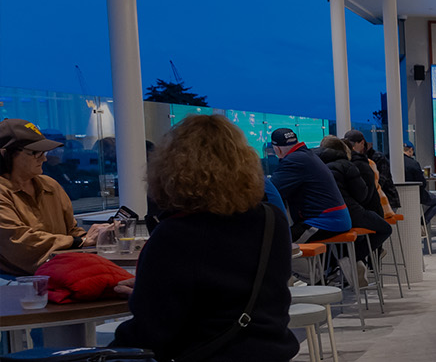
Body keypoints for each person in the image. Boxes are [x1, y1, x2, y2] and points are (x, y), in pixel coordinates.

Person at [110, 114, 299, 361]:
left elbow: (152, 331)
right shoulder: (271, 220)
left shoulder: (174, 234)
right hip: (271, 352)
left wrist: (146, 294)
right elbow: (242, 287)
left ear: (169, 169)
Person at [0, 118, 116, 277]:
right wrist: (80, 241)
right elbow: (19, 242)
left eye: (44, 152)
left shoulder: (50, 185)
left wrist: (97, 238)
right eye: (35, 152)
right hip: (18, 283)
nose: (44, 158)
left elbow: (72, 230)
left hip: (64, 271)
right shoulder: (3, 191)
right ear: (5, 154)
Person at [317, 137, 391, 270]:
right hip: (352, 213)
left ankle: (339, 267)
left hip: (325, 217)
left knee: (353, 239)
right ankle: (350, 259)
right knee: (384, 229)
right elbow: (363, 195)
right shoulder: (354, 164)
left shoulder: (317, 165)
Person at [269, 129, 353, 243]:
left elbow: (272, 189)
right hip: (336, 219)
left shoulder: (294, 160)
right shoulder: (306, 155)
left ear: (277, 149)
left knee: (275, 242)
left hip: (325, 222)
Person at [345, 130, 399, 209]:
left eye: (352, 145)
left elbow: (381, 180)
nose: (350, 148)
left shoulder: (377, 158)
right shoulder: (355, 159)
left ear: (362, 143)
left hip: (387, 200)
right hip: (371, 201)